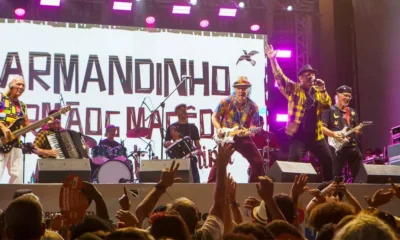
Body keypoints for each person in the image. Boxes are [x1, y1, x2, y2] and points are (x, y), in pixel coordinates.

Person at [265, 44, 335, 181]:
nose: (311, 77)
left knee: (328, 160)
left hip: (317, 136)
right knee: (294, 165)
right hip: (298, 136)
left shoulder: (317, 92)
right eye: (308, 75)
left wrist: (323, 88)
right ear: (301, 78)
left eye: (313, 75)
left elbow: (327, 105)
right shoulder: (294, 89)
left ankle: (329, 187)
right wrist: (273, 60)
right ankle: (292, 191)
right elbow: (279, 77)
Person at [208, 76, 264, 183]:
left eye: (244, 88)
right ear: (235, 89)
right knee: (220, 162)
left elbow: (254, 126)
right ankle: (210, 185)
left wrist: (247, 132)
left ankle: (252, 186)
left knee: (258, 162)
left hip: (243, 138)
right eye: (239, 88)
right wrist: (219, 128)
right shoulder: (225, 102)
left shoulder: (253, 106)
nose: (242, 91)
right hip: (226, 137)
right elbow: (214, 116)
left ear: (249, 90)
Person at [322, 85, 362, 180]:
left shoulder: (352, 112)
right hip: (336, 147)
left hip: (351, 145)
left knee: (359, 173)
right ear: (337, 95)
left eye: (349, 96)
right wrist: (334, 134)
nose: (347, 98)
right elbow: (322, 128)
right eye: (345, 95)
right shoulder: (329, 110)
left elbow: (357, 128)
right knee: (335, 174)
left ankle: (359, 189)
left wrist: (358, 130)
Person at [0, 76, 30, 184]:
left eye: (23, 85)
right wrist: (3, 127)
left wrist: (28, 127)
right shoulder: (1, 98)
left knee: (17, 177)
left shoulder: (22, 106)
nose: (21, 87)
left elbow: (26, 124)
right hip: (1, 141)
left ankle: (15, 200)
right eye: (18, 84)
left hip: (15, 143)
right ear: (11, 85)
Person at [164, 104, 201, 183]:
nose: (184, 110)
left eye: (185, 108)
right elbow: (165, 142)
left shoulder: (192, 127)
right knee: (178, 184)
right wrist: (168, 143)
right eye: (181, 109)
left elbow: (197, 144)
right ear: (176, 112)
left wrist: (198, 150)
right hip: (177, 161)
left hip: (191, 160)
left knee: (196, 184)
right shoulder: (171, 127)